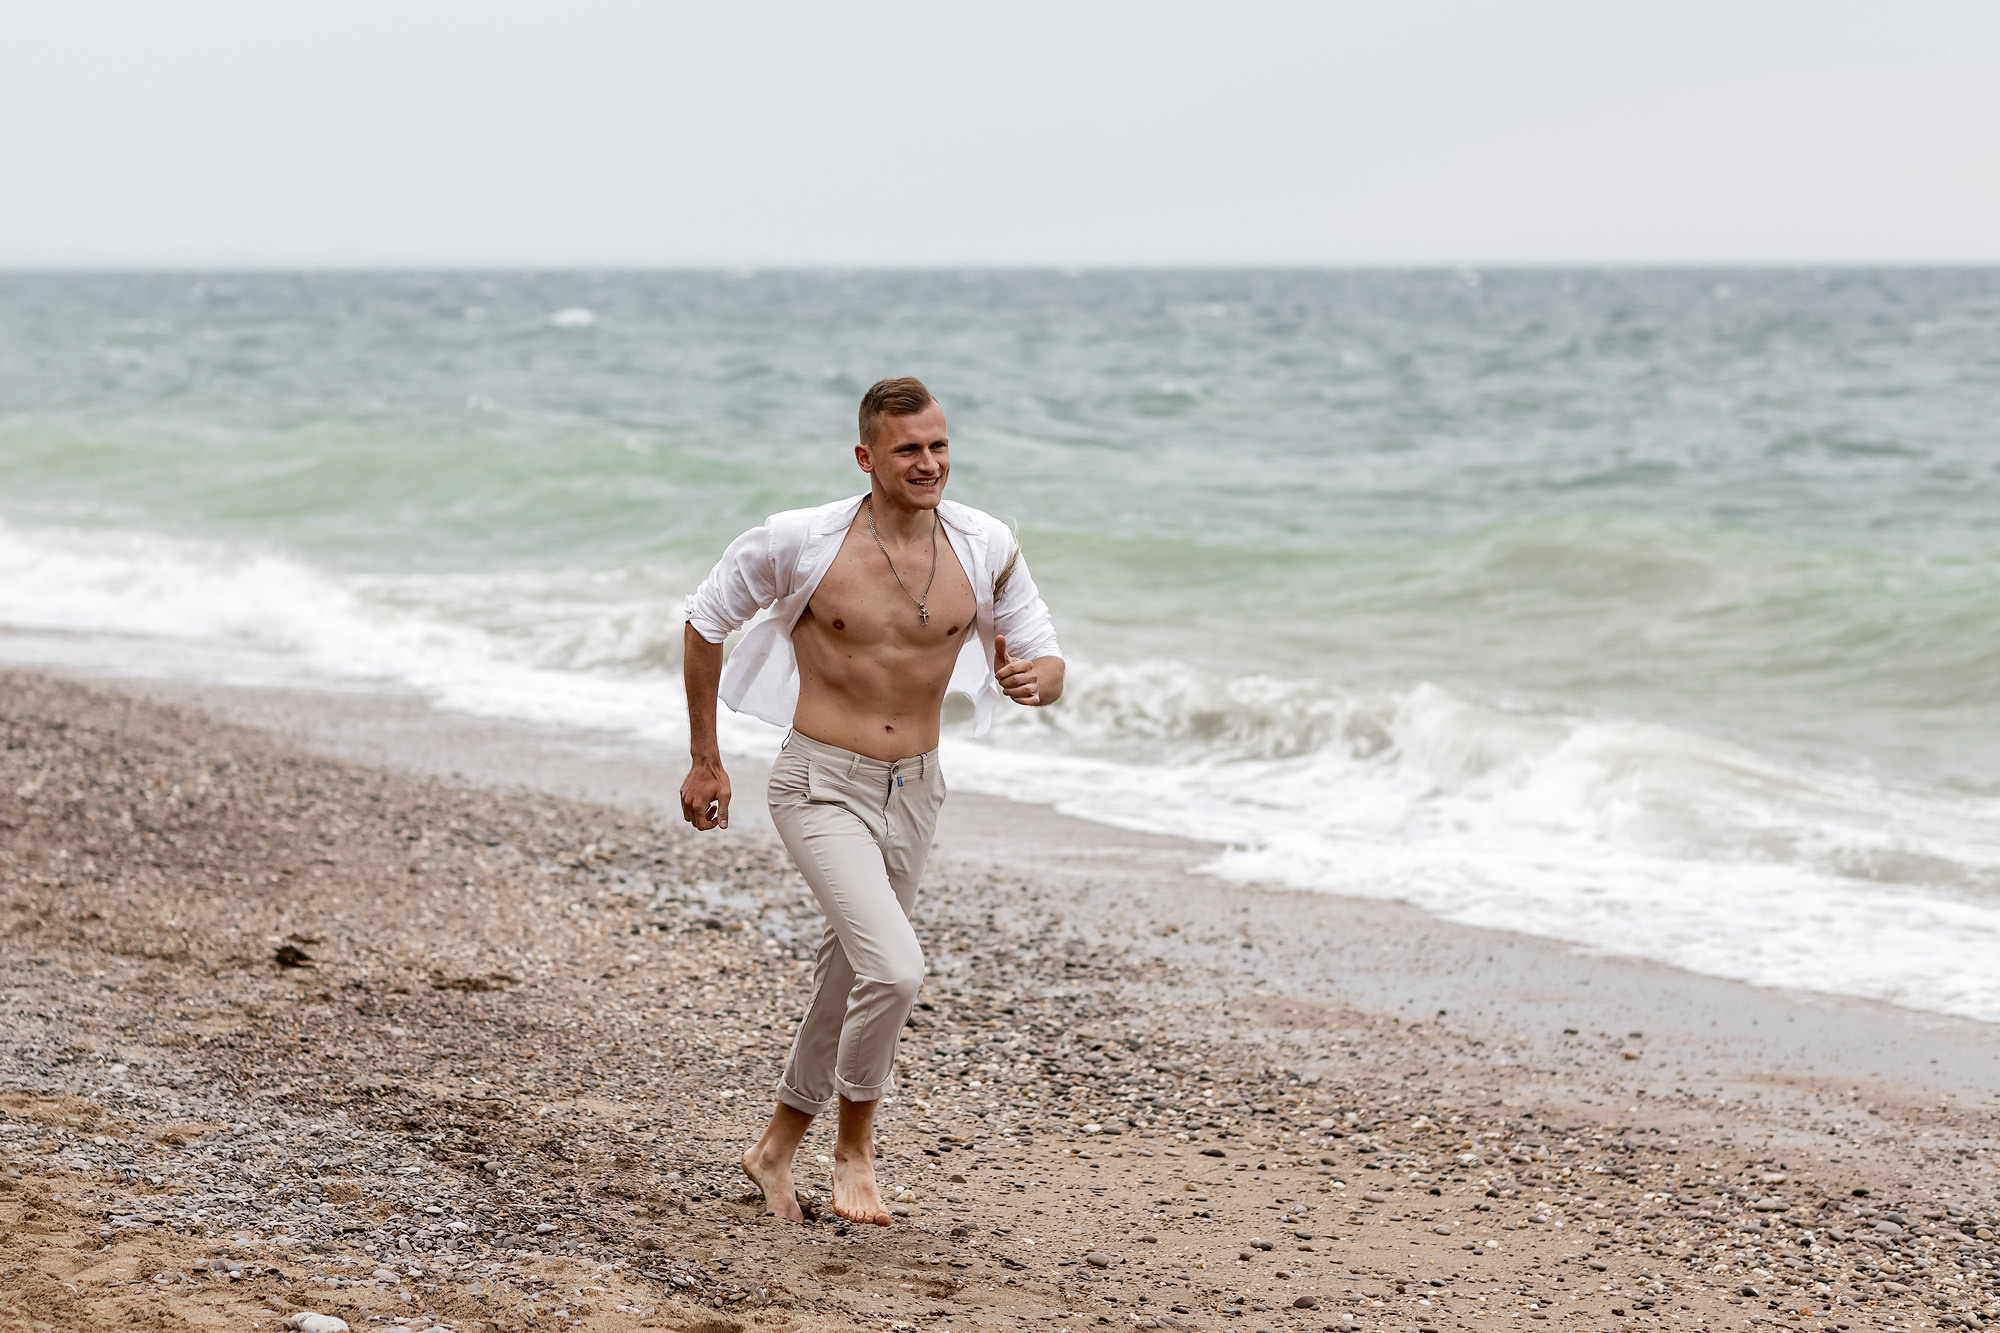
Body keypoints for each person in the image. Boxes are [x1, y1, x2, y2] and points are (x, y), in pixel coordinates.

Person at [679, 377, 1065, 1225]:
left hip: (917, 788)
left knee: (848, 974)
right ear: (866, 457)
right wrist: (706, 759)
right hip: (818, 780)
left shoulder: (986, 542)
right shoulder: (799, 541)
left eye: (939, 445)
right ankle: (855, 1148)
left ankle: (774, 1149)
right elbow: (706, 620)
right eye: (908, 450)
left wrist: (1037, 681)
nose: (929, 463)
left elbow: (1043, 649)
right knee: (896, 966)